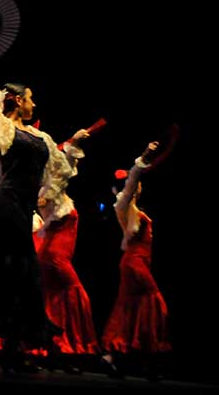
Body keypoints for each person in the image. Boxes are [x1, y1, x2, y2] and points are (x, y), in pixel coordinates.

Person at [0, 16, 74, 372]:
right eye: (30, 99)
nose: (34, 104)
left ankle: (10, 345)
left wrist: (47, 194)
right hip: (5, 204)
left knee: (19, 274)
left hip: (21, 205)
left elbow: (58, 169)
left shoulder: (39, 137)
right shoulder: (4, 126)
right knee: (9, 271)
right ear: (15, 100)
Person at [100, 141, 171, 381]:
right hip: (134, 264)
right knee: (154, 306)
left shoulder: (134, 211)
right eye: (134, 183)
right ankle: (143, 356)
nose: (137, 186)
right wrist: (144, 156)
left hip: (136, 264)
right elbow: (132, 180)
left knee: (132, 309)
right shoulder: (124, 206)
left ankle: (116, 357)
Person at [36, 129, 101, 371]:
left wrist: (73, 144)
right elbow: (63, 172)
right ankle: (70, 347)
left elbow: (66, 170)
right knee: (75, 296)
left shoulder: (55, 188)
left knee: (57, 302)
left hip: (54, 255)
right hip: (55, 256)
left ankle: (60, 349)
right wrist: (72, 145)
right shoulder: (46, 190)